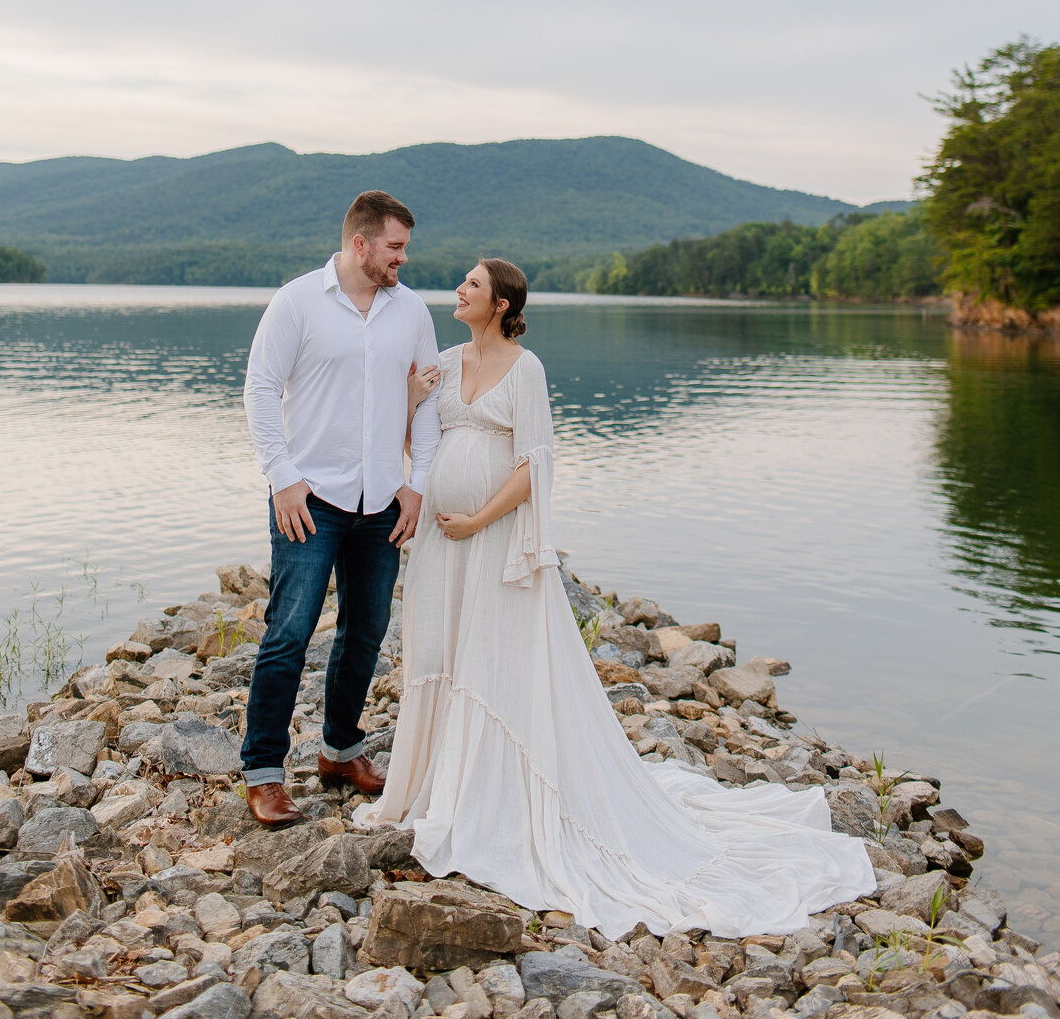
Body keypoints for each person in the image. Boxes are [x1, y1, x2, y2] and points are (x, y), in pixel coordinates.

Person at [355, 257, 876, 938]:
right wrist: (414, 401)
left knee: (491, 659)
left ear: (503, 302)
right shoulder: (445, 363)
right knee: (440, 653)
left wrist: (481, 518)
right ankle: (432, 789)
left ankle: (494, 799)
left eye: (473, 285)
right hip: (437, 542)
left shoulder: (527, 368)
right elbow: (410, 441)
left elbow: (534, 463)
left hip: (488, 537)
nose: (459, 290)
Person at [240, 190, 441, 828]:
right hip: (311, 499)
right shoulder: (297, 301)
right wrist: (282, 478)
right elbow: (260, 388)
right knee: (289, 634)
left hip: (383, 499)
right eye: (395, 247)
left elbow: (431, 400)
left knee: (365, 634)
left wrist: (418, 485)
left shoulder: (411, 311)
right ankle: (265, 774)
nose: (402, 259)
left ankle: (339, 751)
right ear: (360, 244)